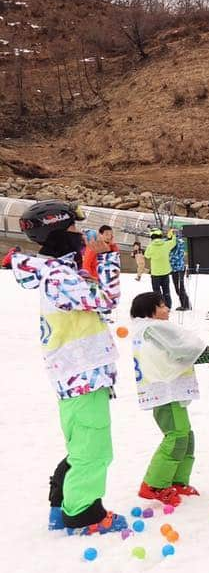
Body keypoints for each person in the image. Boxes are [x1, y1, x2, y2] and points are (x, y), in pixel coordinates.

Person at [14, 201, 127, 535]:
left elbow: (98, 308)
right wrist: (106, 258)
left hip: (80, 372)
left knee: (82, 447)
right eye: (75, 228)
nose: (82, 234)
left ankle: (61, 505)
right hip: (81, 373)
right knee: (94, 451)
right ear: (59, 232)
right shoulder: (59, 276)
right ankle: (83, 514)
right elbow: (107, 299)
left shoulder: (61, 271)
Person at [129, 292, 209, 506]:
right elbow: (179, 349)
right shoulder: (152, 328)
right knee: (177, 437)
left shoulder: (147, 329)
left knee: (186, 436)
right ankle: (154, 485)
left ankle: (177, 481)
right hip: (165, 393)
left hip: (170, 392)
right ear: (148, 311)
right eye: (161, 306)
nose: (167, 309)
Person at [145, 228, 177, 308]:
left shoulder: (150, 246)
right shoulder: (166, 244)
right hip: (166, 272)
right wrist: (172, 235)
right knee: (166, 291)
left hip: (155, 273)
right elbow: (173, 242)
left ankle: (159, 306)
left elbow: (147, 255)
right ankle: (168, 306)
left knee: (156, 292)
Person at [168, 229, 192, 311]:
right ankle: (186, 304)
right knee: (178, 287)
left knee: (179, 287)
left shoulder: (178, 243)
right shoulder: (176, 242)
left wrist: (169, 257)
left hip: (178, 268)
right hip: (176, 268)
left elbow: (176, 255)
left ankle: (186, 305)